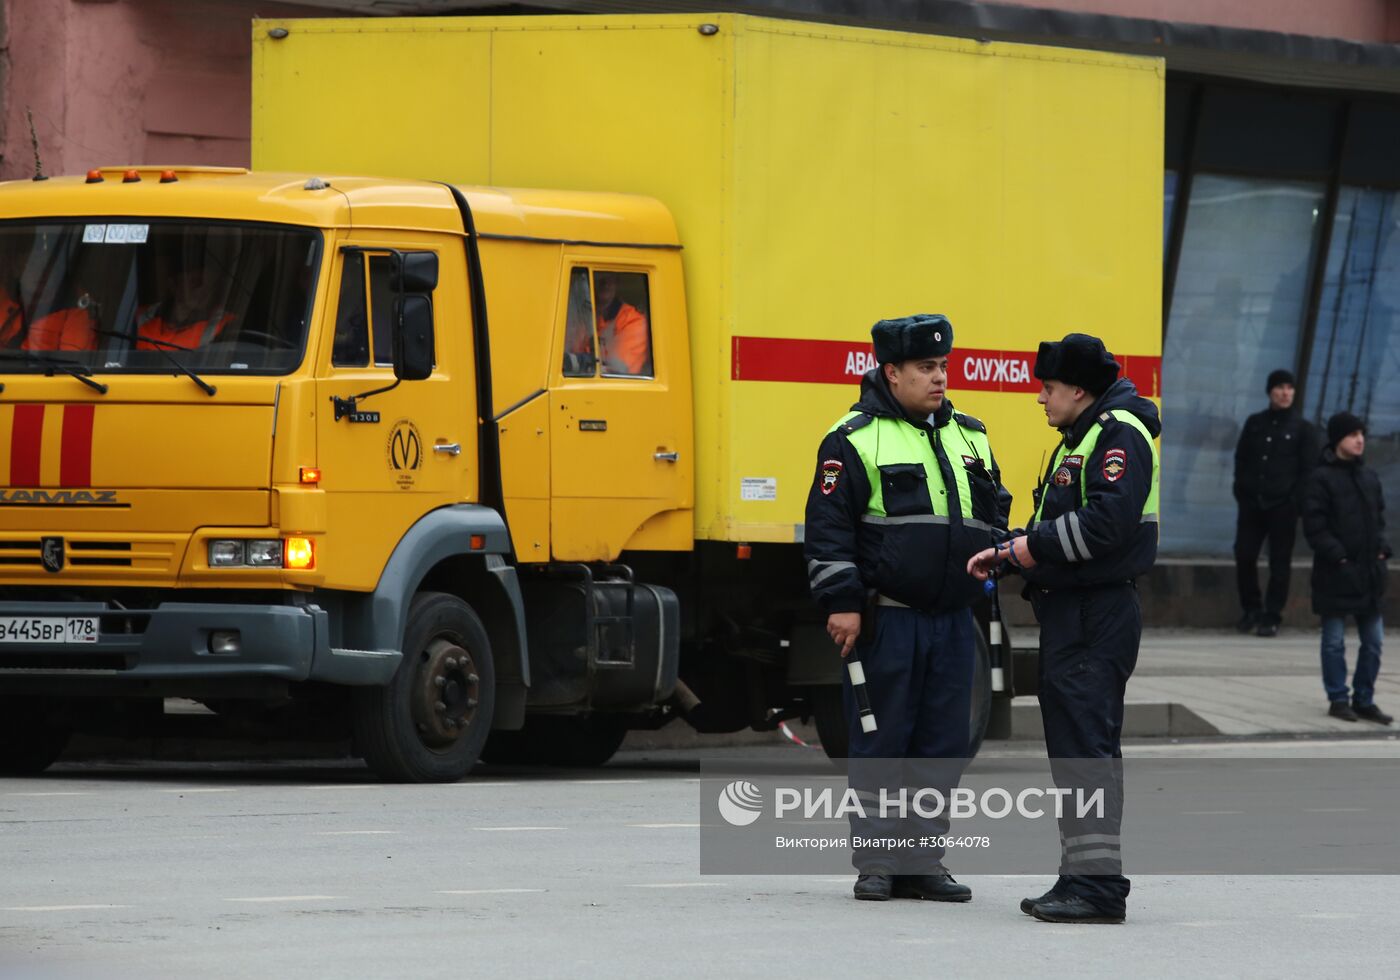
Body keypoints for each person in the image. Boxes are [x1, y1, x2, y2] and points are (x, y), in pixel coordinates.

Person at [804, 313, 1011, 903]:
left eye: (942, 366)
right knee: (881, 741)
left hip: (952, 621)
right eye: (926, 368)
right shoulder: (852, 437)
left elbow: (993, 506)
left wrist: (996, 559)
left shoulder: (971, 434)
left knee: (941, 745)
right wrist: (842, 603)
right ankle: (876, 864)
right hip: (886, 619)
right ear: (891, 373)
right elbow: (828, 531)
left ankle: (923, 862)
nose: (939, 378)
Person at [968, 332, 1160, 925]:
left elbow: (1105, 525)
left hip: (1094, 613)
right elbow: (1059, 527)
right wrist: (1012, 551)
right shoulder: (1079, 436)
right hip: (1076, 611)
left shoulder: (1117, 433)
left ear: (1079, 388)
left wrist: (1027, 550)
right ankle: (1082, 877)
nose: (1041, 399)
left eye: (1048, 388)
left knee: (1086, 749)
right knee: (1078, 748)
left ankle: (1097, 888)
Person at [1302, 412, 1392, 725]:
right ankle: (1338, 699)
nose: (1360, 440)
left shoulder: (1369, 477)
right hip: (1335, 573)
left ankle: (1364, 698)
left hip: (1368, 574)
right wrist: (1338, 557)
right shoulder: (1320, 478)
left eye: (1362, 434)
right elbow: (1315, 526)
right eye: (1353, 434)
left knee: (1374, 641)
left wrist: (1382, 550)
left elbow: (1379, 521)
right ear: (1338, 439)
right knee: (1334, 641)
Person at [1233, 369, 1316, 637]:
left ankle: (1272, 615)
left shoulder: (1303, 429)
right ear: (1270, 391)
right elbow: (1241, 459)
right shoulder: (1255, 423)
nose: (1285, 392)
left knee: (1280, 563)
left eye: (1289, 388)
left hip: (1283, 506)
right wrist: (1243, 491)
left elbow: (1308, 471)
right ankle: (1251, 610)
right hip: (1252, 503)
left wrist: (1295, 502)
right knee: (1244, 555)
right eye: (1280, 387)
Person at [593, 271, 650, 375]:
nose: (605, 283)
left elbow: (617, 370)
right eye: (599, 276)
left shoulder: (634, 321)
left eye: (610, 278)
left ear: (616, 282)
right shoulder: (582, 315)